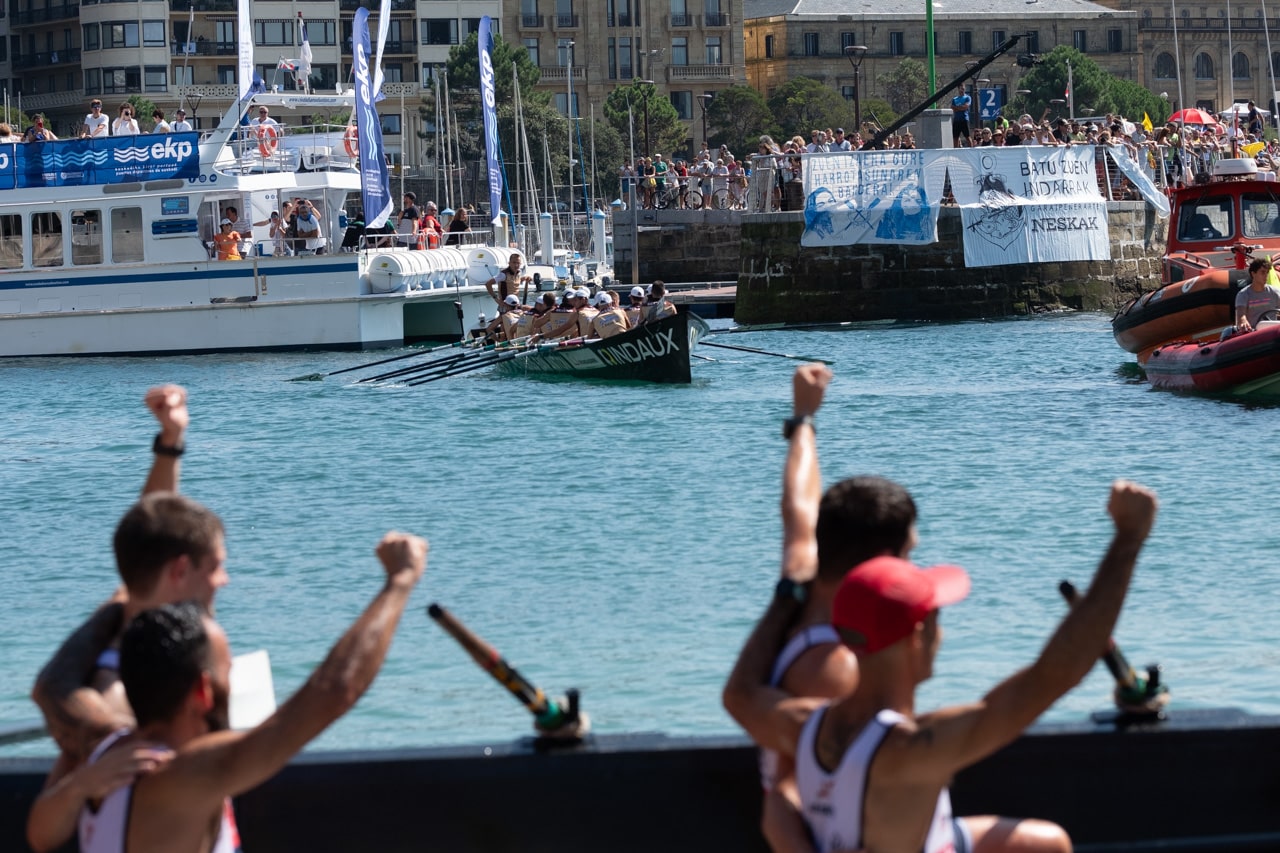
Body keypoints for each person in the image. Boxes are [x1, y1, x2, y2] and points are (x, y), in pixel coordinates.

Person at [725, 477, 1159, 853]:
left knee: (1046, 843)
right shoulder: (911, 751)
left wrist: (787, 595)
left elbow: (740, 694)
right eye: (939, 621)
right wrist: (1128, 540)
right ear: (917, 636)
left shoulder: (802, 725)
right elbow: (1055, 675)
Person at [28, 531, 428, 853]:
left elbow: (40, 836)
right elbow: (333, 692)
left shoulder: (100, 748)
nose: (232, 677)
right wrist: (400, 581)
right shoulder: (185, 773)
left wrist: (78, 786)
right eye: (228, 669)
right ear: (203, 690)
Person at [1233, 257, 1280, 334]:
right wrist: (1243, 321)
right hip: (1253, 334)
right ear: (1253, 273)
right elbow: (1241, 314)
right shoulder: (1243, 294)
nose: (1266, 275)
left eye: (1267, 272)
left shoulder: (1275, 292)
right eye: (1263, 272)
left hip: (1273, 333)